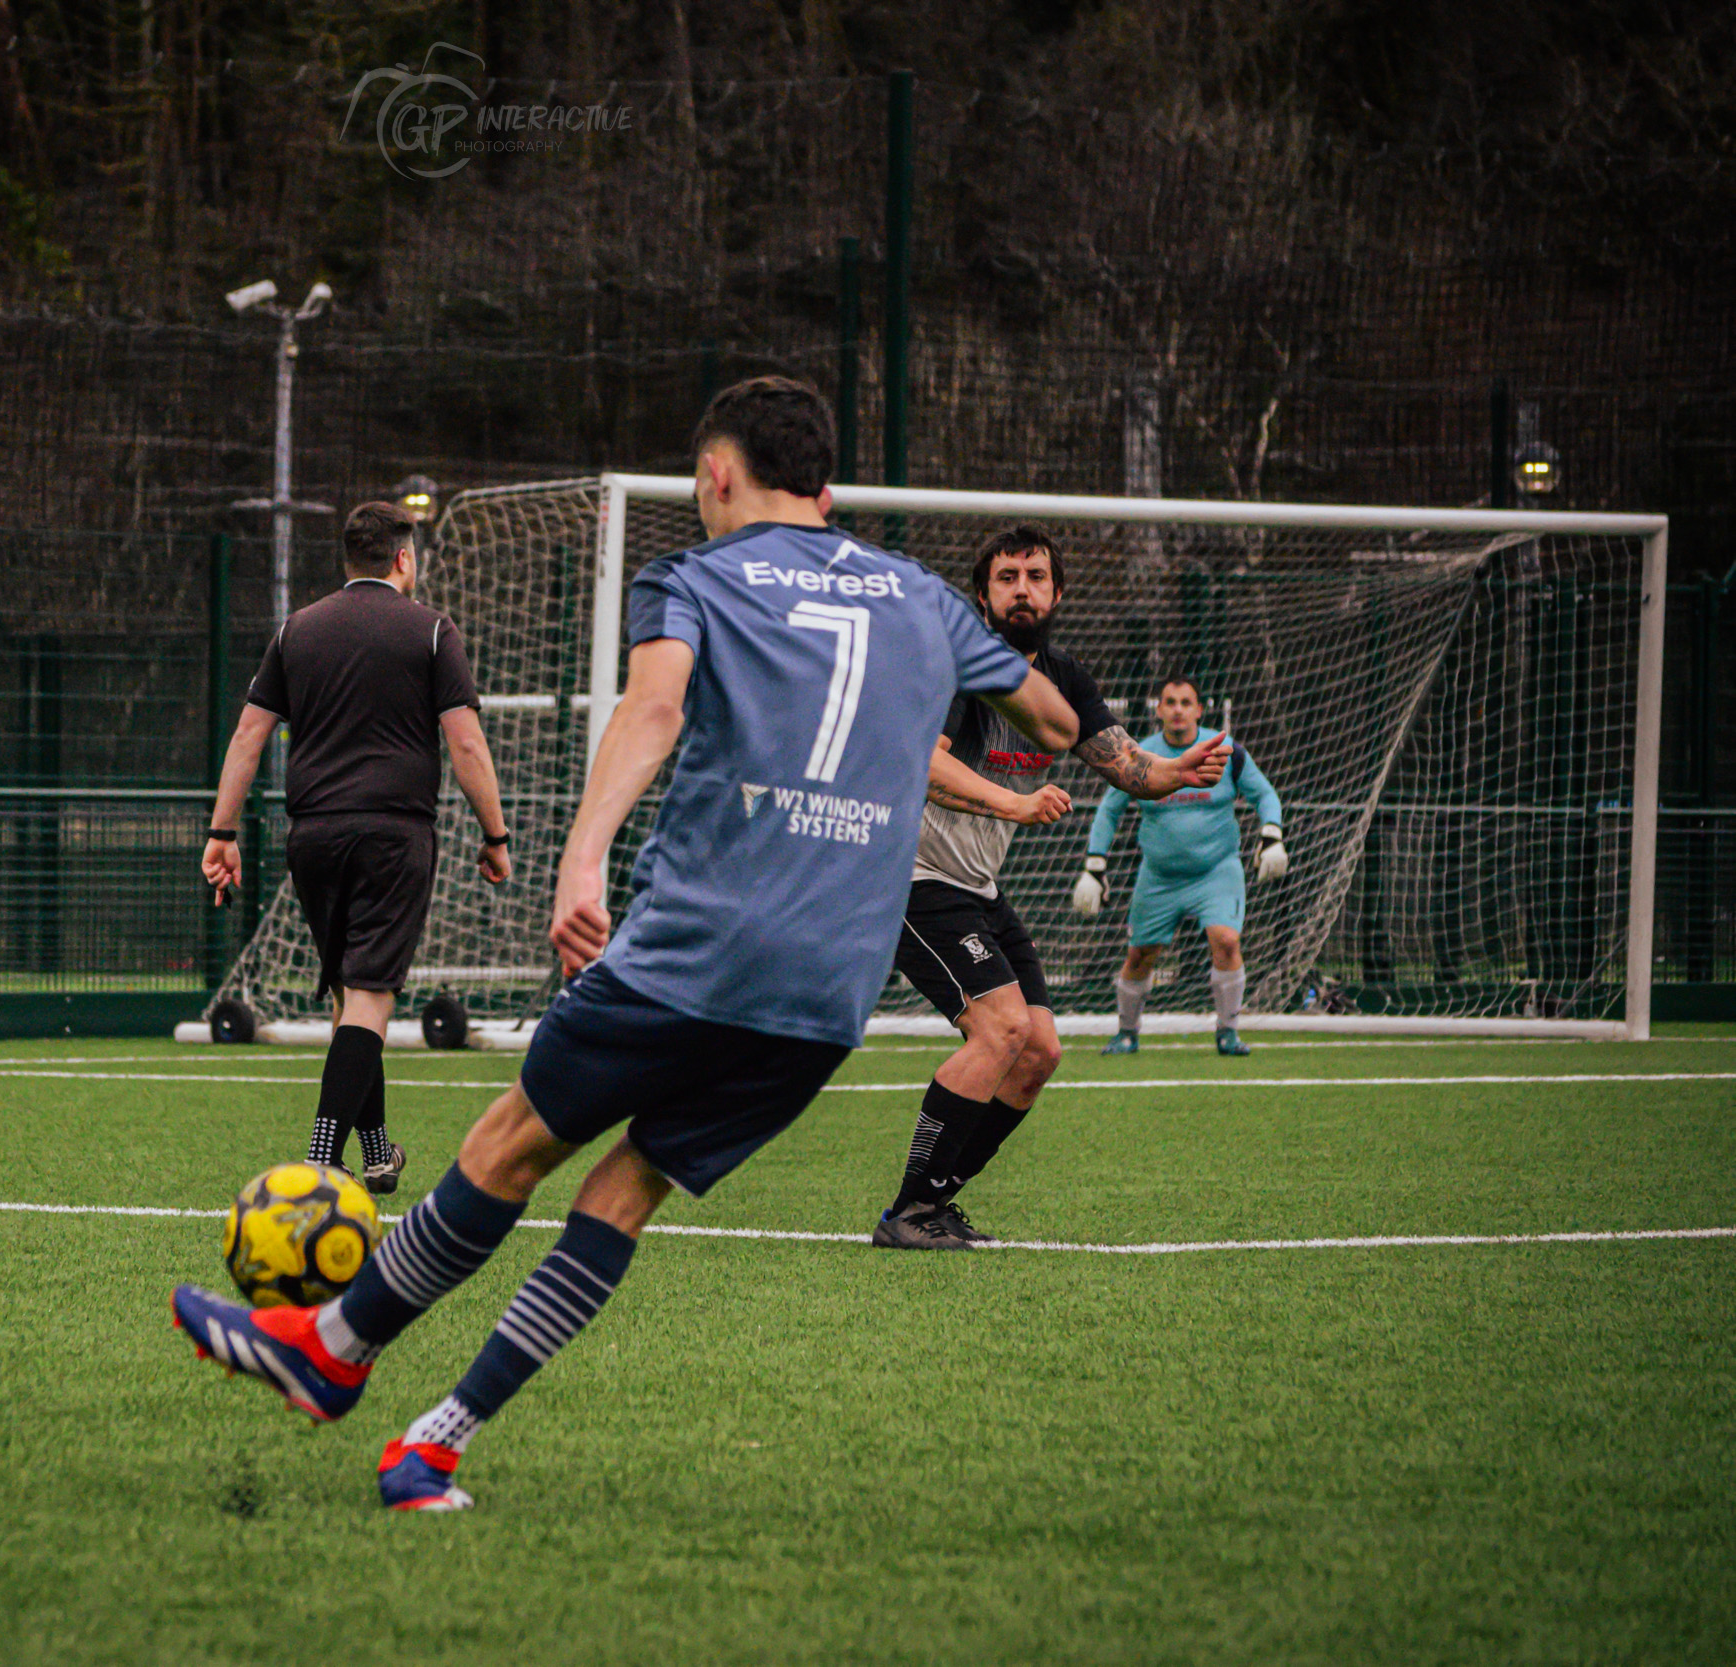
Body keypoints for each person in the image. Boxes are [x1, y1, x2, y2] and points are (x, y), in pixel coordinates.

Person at [170, 375, 1080, 1509]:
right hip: (827, 989)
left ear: (714, 474)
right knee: (629, 1187)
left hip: (699, 944)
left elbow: (651, 711)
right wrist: (1118, 761)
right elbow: (1050, 721)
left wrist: (583, 852)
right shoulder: (924, 596)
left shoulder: (692, 574)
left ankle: (334, 1348)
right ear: (829, 485)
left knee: (509, 1143)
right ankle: (435, 1441)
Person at [872, 527, 1232, 1251]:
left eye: (1036, 575)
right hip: (912, 877)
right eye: (1007, 577)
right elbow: (922, 766)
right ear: (982, 596)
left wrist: (1178, 768)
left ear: (1058, 593)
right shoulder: (957, 669)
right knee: (1001, 1028)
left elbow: (1131, 766)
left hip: (977, 884)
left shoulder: (1063, 681)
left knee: (1038, 1052)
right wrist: (1014, 803)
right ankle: (909, 1212)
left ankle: (934, 1202)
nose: (1023, 588)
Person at [200, 501, 512, 1194]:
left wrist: (222, 834)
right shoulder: (431, 629)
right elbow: (465, 742)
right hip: (394, 836)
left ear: (348, 560)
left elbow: (249, 737)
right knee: (370, 997)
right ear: (404, 558)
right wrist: (496, 835)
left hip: (312, 836)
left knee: (352, 996)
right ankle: (319, 1159)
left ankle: (376, 1150)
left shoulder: (297, 629)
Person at [1076, 674, 1287, 1056]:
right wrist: (1094, 865)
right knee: (1141, 954)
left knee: (1226, 941)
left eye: (1185, 703)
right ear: (1159, 710)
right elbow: (1109, 810)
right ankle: (1126, 1032)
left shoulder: (1226, 751)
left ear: (1199, 711)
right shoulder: (1139, 756)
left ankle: (1228, 1032)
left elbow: (1265, 794)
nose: (1177, 710)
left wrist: (1272, 834)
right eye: (1169, 702)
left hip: (1217, 871)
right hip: (1158, 877)